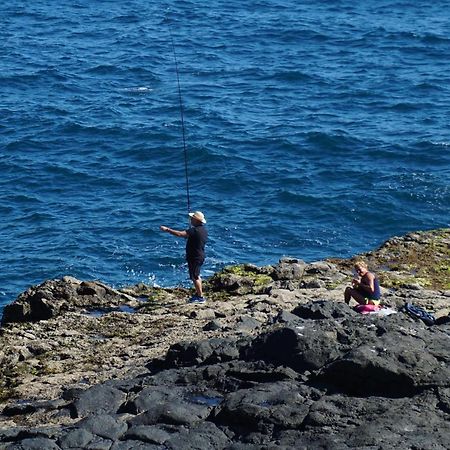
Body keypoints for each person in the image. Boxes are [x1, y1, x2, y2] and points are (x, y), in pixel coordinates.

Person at [160, 211, 208, 303]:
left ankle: (200, 297)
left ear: (196, 220)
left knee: (195, 276)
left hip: (195, 256)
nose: (190, 220)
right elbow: (194, 238)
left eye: (192, 219)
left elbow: (180, 234)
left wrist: (167, 229)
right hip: (199, 255)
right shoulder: (203, 230)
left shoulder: (194, 230)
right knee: (196, 275)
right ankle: (199, 294)